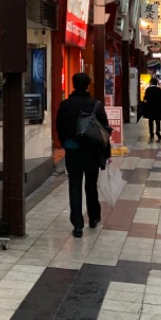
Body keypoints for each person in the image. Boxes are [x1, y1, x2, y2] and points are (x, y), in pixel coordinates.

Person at [55, 72, 110, 238]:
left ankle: (77, 225)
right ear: (88, 85)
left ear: (73, 84)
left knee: (74, 186)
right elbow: (104, 131)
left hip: (73, 151)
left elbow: (59, 127)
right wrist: (106, 154)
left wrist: (66, 143)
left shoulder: (65, 105)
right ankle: (93, 217)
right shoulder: (96, 105)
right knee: (91, 186)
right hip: (92, 151)